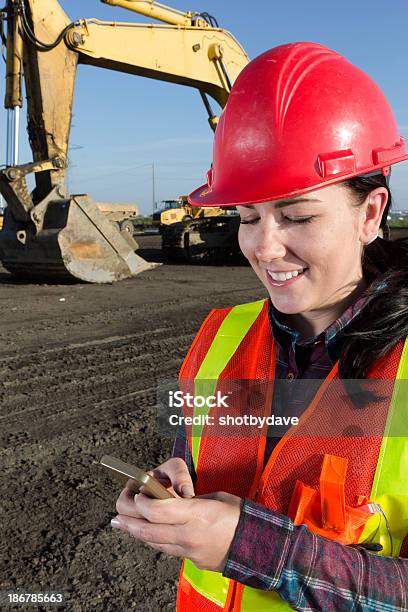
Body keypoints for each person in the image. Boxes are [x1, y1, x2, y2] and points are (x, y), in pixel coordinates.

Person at [111, 42, 408, 610]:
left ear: (370, 213)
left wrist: (252, 547)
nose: (262, 246)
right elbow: (189, 454)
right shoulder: (219, 336)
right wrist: (173, 482)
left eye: (297, 216)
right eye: (246, 216)